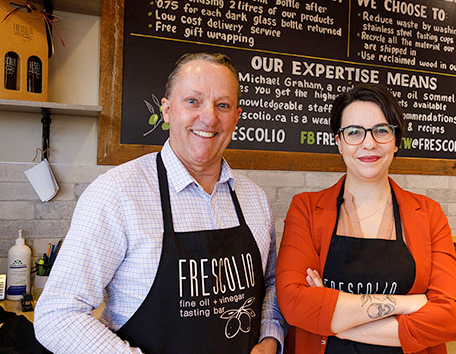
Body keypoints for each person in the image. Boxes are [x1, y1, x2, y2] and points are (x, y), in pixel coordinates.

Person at [34, 53, 285, 354]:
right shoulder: (117, 193)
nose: (209, 117)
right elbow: (58, 314)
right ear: (167, 110)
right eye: (193, 101)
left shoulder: (254, 199)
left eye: (223, 105)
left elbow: (270, 285)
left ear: (236, 117)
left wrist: (270, 338)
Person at [276, 84, 456, 353]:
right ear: (338, 142)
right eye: (354, 132)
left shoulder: (430, 214)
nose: (369, 143)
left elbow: (449, 319)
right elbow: (294, 304)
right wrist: (404, 303)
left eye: (381, 130)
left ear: (396, 141)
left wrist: (335, 321)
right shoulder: (305, 209)